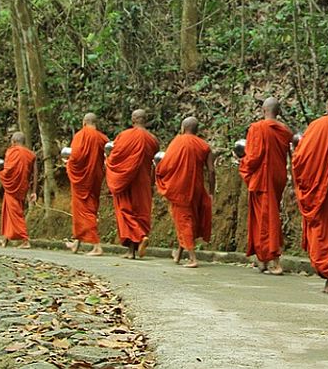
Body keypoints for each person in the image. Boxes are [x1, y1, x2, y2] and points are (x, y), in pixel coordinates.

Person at [290, 91, 328, 289]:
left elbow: (300, 159)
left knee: (322, 231)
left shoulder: (318, 125)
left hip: (320, 190)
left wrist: (299, 181)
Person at [240, 97, 293, 275]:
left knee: (266, 218)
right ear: (278, 112)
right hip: (278, 176)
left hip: (264, 177)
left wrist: (243, 165)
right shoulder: (285, 130)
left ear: (264, 110)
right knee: (265, 215)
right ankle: (262, 259)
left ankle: (275, 261)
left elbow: (254, 156)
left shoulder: (258, 128)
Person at [156, 117, 215, 269]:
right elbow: (211, 171)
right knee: (186, 221)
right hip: (197, 188)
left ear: (182, 128)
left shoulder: (178, 142)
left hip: (180, 188)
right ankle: (179, 254)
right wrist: (211, 192)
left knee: (184, 221)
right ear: (197, 130)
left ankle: (192, 258)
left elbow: (165, 164)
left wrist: (159, 174)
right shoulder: (204, 146)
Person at [106, 109, 159, 260]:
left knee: (125, 211)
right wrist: (153, 183)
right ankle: (134, 247)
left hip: (126, 181)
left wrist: (107, 162)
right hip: (143, 181)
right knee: (140, 212)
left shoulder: (124, 136)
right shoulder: (153, 139)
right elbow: (155, 164)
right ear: (145, 120)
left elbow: (115, 158)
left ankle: (138, 241)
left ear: (133, 119)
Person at [65, 113, 108, 256]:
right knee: (86, 209)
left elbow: (76, 156)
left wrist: (68, 164)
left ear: (84, 123)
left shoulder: (80, 135)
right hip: (95, 178)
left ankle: (96, 246)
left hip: (81, 179)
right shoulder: (103, 138)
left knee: (85, 211)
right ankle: (76, 243)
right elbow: (109, 157)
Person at [0, 132, 37, 249]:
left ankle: (25, 240)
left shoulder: (11, 151)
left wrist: (0, 173)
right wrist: (34, 191)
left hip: (12, 187)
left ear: (13, 142)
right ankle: (5, 238)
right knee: (10, 212)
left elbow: (8, 170)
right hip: (22, 187)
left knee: (16, 213)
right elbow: (35, 173)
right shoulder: (31, 154)